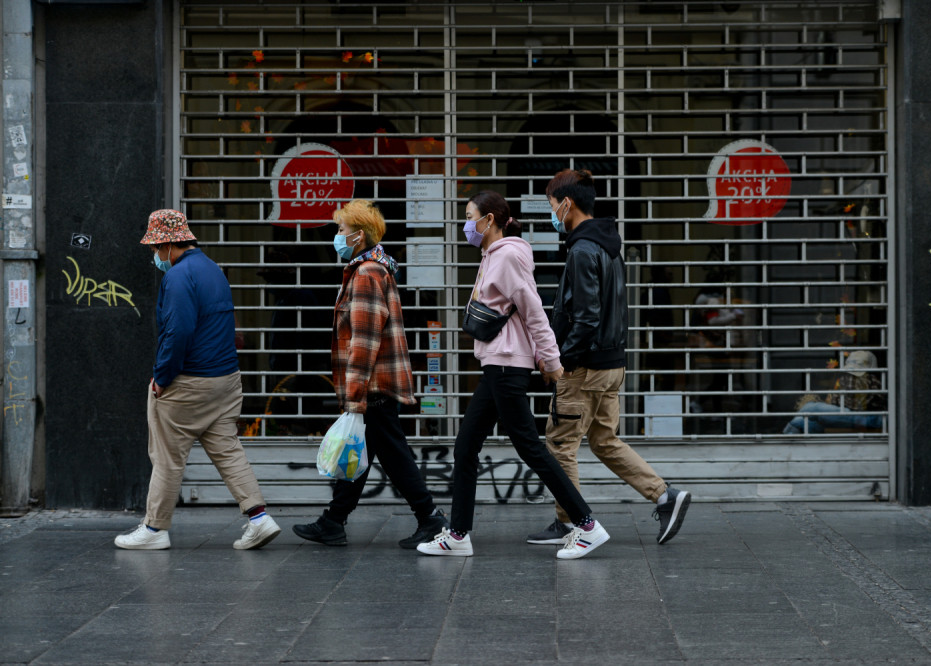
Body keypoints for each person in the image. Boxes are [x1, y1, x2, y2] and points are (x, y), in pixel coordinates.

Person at [417, 191, 610, 560]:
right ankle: (458, 535)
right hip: (497, 365)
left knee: (531, 449)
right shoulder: (493, 255)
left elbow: (533, 309)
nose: (466, 224)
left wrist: (550, 359)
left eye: (470, 216)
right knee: (466, 446)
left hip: (506, 366)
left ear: (489, 220)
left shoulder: (507, 256)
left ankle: (587, 525)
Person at [525, 169, 692, 547]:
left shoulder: (583, 250)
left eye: (552, 206)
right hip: (611, 364)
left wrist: (560, 360)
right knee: (604, 440)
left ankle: (570, 522)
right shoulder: (607, 246)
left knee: (561, 444)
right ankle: (666, 496)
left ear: (566, 204)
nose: (551, 214)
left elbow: (585, 317)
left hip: (584, 368)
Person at [116, 209, 281, 550]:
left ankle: (154, 528)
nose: (155, 256)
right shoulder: (213, 270)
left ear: (168, 245)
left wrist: (162, 377)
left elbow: (177, 333)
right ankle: (259, 518)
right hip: (226, 380)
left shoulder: (177, 278)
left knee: (167, 456)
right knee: (228, 451)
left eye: (155, 249)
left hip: (189, 383)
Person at [292, 200, 448, 549]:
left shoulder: (365, 275)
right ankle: (333, 520)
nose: (337, 236)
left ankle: (431, 519)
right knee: (366, 449)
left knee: (391, 452)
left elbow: (364, 339)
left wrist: (355, 392)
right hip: (377, 381)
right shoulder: (376, 269)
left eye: (341, 230)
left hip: (373, 383)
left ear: (358, 236)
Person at [783, 350, 885, 434]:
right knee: (803, 421)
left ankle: (783, 439)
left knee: (811, 408)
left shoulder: (871, 380)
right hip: (858, 416)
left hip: (869, 418)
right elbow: (841, 401)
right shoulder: (851, 379)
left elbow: (856, 406)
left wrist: (835, 400)